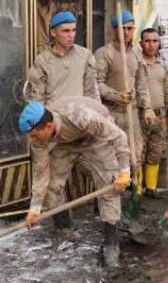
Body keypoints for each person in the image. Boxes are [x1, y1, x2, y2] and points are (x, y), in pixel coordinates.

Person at [18, 98, 131, 267]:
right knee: (52, 185)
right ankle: (64, 229)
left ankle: (111, 244)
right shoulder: (38, 137)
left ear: (48, 126)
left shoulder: (81, 116)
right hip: (65, 143)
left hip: (95, 138)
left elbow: (119, 137)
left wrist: (124, 172)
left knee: (109, 186)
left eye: (34, 135)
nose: (32, 139)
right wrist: (35, 208)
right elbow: (41, 171)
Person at [94, 10, 155, 194]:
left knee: (135, 154)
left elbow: (141, 84)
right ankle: (109, 199)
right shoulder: (104, 54)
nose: (127, 32)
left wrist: (148, 109)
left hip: (132, 113)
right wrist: (116, 95)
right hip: (112, 114)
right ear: (115, 29)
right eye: (124, 28)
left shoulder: (136, 54)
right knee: (112, 157)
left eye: (130, 28)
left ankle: (134, 193)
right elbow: (95, 83)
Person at [29, 11, 100, 109]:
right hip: (54, 119)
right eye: (66, 31)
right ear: (53, 32)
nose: (71, 35)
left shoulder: (84, 55)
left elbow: (92, 93)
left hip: (79, 118)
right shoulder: (43, 60)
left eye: (73, 30)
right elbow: (37, 98)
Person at [139, 28, 168, 197]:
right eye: (147, 41)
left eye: (155, 41)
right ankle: (137, 189)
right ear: (141, 44)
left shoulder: (163, 66)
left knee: (155, 152)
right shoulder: (137, 64)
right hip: (140, 115)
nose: (151, 45)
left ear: (159, 43)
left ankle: (151, 188)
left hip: (159, 115)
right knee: (138, 152)